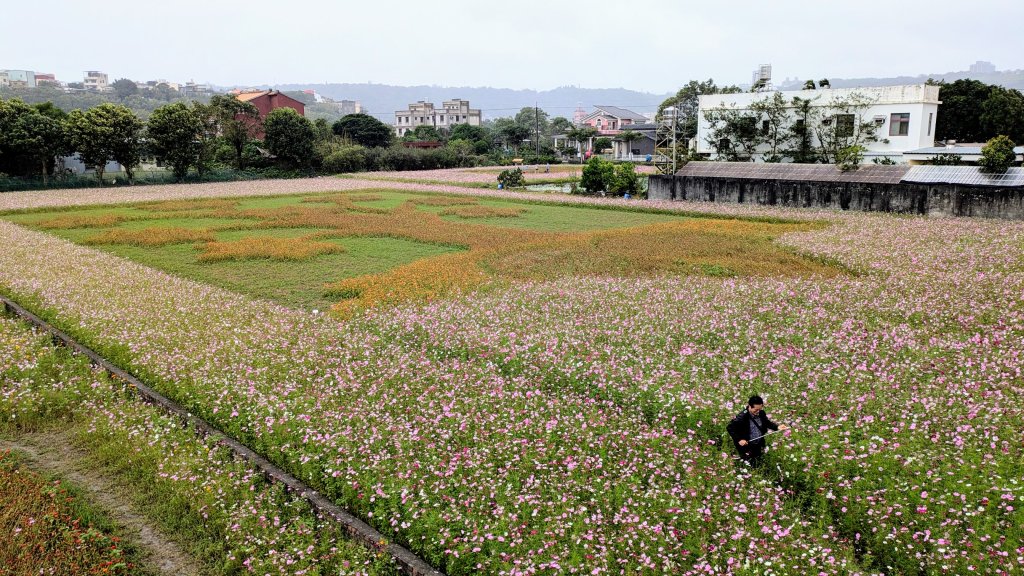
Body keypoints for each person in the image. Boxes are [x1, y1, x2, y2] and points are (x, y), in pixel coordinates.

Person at [726, 395, 788, 467]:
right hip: (747, 445)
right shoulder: (742, 417)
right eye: (756, 410)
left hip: (758, 442)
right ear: (749, 406)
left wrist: (777, 427)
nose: (758, 412)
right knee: (748, 463)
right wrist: (739, 439)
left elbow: (767, 422)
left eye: (760, 409)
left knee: (758, 461)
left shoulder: (761, 413)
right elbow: (730, 428)